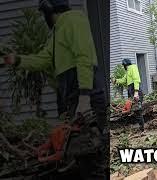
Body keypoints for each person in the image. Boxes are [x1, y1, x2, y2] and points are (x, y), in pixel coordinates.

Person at [4, 0, 106, 179]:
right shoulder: (56, 33)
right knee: (80, 155)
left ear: (49, 11)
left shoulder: (74, 20)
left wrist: (84, 98)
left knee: (90, 155)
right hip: (74, 96)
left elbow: (84, 57)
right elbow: (43, 59)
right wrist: (17, 60)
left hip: (86, 95)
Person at [114, 58, 145, 132]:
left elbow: (136, 79)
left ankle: (142, 129)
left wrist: (136, 92)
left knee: (137, 111)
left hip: (135, 92)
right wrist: (115, 80)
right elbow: (123, 80)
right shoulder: (128, 71)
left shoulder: (133, 68)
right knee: (131, 110)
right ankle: (136, 127)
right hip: (131, 93)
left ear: (125, 64)